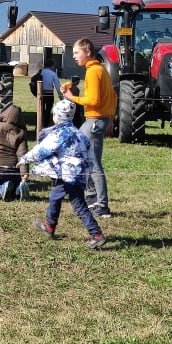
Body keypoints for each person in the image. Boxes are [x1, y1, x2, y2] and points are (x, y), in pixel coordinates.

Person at [19, 99, 106, 249]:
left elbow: (42, 150)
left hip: (69, 176)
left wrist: (25, 159)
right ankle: (50, 227)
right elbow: (90, 157)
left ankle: (96, 235)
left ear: (57, 116)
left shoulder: (59, 134)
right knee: (55, 197)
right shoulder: (80, 135)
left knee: (79, 205)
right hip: (74, 174)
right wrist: (89, 173)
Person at [61, 38, 116, 219]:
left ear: (87, 52)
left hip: (93, 120)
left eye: (77, 52)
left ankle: (101, 205)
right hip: (99, 120)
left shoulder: (93, 72)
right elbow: (112, 96)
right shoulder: (101, 69)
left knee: (93, 163)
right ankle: (92, 199)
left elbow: (93, 101)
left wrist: (71, 98)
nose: (74, 56)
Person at [29, 59, 62, 126]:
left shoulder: (40, 72)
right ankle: (46, 124)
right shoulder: (53, 74)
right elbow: (57, 85)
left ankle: (40, 124)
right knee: (48, 110)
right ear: (52, 66)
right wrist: (60, 95)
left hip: (40, 93)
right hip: (49, 94)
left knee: (41, 110)